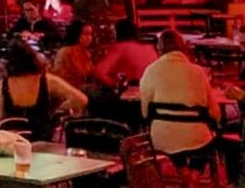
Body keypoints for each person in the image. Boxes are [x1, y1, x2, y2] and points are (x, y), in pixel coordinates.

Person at [139, 29, 220, 157]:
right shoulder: (198, 72)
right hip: (197, 139)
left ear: (159, 48)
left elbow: (145, 113)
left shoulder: (150, 71)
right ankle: (191, 173)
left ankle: (184, 172)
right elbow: (215, 113)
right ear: (184, 48)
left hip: (161, 139)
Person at [0, 39, 87, 141]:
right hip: (42, 142)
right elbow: (82, 100)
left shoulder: (3, 84)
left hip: (12, 144)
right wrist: (61, 110)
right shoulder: (48, 80)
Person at [94, 19, 157, 88]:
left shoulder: (120, 47)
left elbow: (99, 72)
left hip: (132, 92)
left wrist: (114, 84)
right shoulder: (150, 48)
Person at [52, 19, 95, 90]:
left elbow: (90, 73)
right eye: (85, 34)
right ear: (77, 34)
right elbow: (60, 77)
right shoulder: (65, 52)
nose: (89, 37)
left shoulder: (86, 53)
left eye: (90, 34)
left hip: (83, 89)